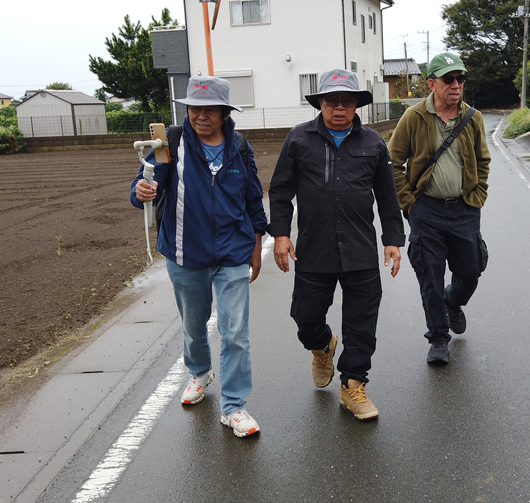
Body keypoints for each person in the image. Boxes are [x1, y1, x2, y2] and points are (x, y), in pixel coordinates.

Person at [130, 76, 266, 438]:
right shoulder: (168, 144)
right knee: (194, 325)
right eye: (194, 108)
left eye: (208, 109)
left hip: (233, 252)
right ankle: (200, 371)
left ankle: (234, 406)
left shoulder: (238, 146)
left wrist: (256, 244)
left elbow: (253, 197)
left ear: (224, 113)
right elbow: (141, 182)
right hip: (184, 252)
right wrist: (140, 190)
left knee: (235, 331)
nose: (200, 115)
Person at [267, 69, 404, 421]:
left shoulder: (373, 143)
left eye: (346, 101)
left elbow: (388, 197)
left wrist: (392, 240)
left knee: (362, 322)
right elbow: (281, 191)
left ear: (357, 104)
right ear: (321, 104)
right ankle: (322, 345)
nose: (339, 108)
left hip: (360, 249)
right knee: (305, 316)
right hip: (314, 248)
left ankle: (353, 386)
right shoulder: (299, 140)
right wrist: (281, 234)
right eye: (332, 101)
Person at [388, 52, 490, 364]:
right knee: (429, 276)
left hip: (464, 209)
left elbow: (483, 160)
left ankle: (453, 300)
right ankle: (438, 337)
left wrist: (477, 194)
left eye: (460, 78)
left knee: (470, 272)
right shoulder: (415, 117)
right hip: (427, 211)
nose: (456, 84)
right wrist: (409, 202)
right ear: (432, 83)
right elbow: (393, 163)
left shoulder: (472, 118)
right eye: (449, 79)